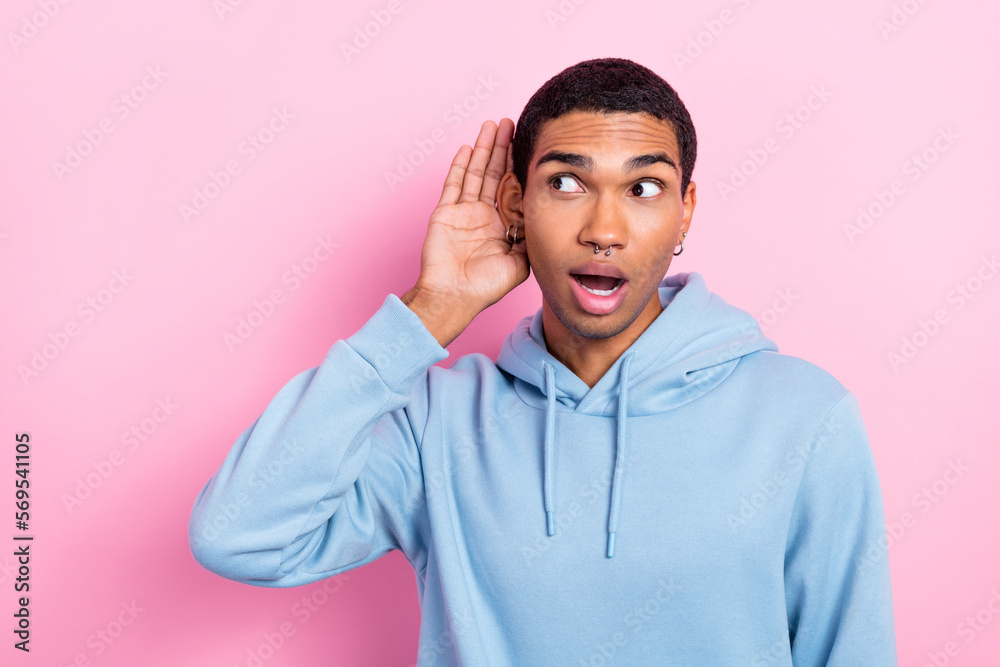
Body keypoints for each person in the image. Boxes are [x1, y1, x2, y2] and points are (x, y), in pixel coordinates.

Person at [188, 57, 899, 666]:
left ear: (685, 211)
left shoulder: (804, 415)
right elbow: (238, 535)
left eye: (644, 188)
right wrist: (429, 311)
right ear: (516, 204)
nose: (603, 230)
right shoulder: (438, 424)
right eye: (566, 182)